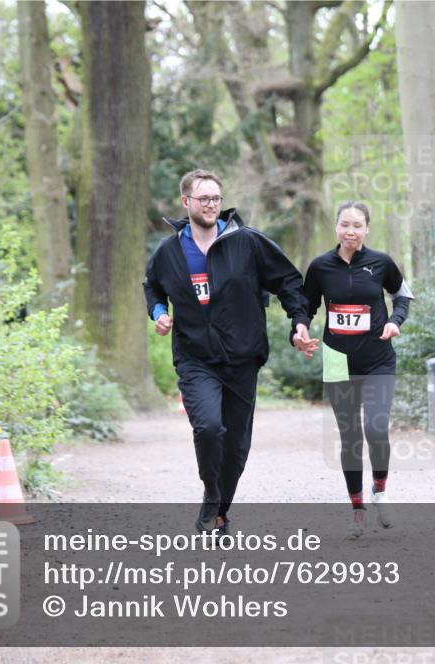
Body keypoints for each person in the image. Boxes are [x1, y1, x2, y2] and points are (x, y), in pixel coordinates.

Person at [143, 169, 317, 534]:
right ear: (186, 202)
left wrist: (299, 323)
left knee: (236, 446)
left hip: (242, 356)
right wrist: (159, 314)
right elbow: (153, 288)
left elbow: (288, 282)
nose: (210, 205)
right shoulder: (169, 251)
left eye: (216, 199)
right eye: (203, 198)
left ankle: (220, 511)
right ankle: (211, 496)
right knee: (208, 427)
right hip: (195, 357)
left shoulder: (248, 242)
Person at [294, 201, 413, 539]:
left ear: (367, 229)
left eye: (357, 225)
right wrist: (300, 327)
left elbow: (402, 296)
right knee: (349, 437)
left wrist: (394, 321)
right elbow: (306, 304)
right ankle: (357, 509)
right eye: (345, 224)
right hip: (337, 359)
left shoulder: (381, 263)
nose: (350, 231)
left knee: (376, 427)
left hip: (377, 359)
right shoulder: (320, 267)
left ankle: (380, 489)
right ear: (336, 226)